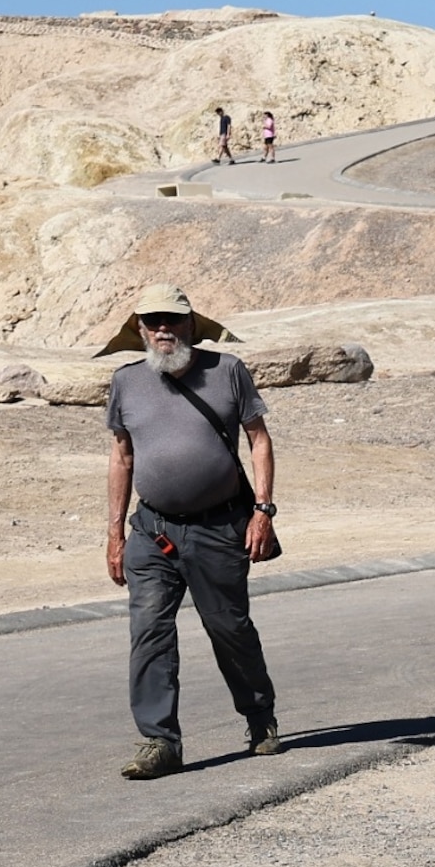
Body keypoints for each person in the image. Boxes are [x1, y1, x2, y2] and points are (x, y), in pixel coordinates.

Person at [103, 284, 280, 779]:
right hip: (152, 530)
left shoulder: (227, 371)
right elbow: (122, 457)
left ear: (191, 326)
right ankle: (160, 741)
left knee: (229, 629)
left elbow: (259, 441)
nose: (164, 329)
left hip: (219, 527)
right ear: (139, 329)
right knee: (149, 632)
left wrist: (262, 511)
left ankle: (260, 716)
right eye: (153, 321)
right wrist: (115, 533)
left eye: (174, 320)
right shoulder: (126, 381)